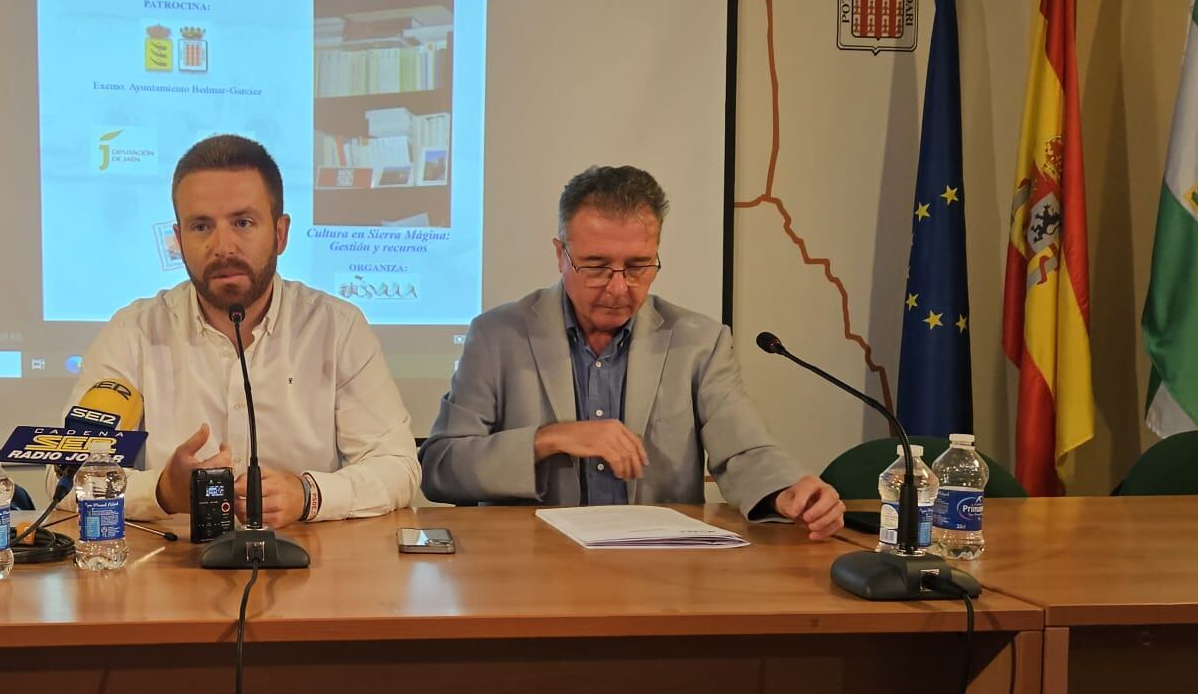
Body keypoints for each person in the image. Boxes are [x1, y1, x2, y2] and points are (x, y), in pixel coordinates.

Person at [419, 164, 843, 539]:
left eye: (638, 266)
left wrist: (788, 491)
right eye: (597, 266)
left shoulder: (698, 340)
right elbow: (441, 467)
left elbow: (745, 450)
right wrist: (549, 439)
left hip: (659, 571)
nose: (619, 287)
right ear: (559, 255)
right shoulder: (497, 335)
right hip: (534, 569)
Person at [65, 134, 417, 525]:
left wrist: (309, 495)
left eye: (243, 222)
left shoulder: (338, 328)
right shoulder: (134, 332)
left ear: (280, 234)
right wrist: (162, 493)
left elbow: (398, 467)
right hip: (171, 573)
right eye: (201, 227)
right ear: (178, 241)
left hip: (307, 570)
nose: (224, 246)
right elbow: (64, 477)